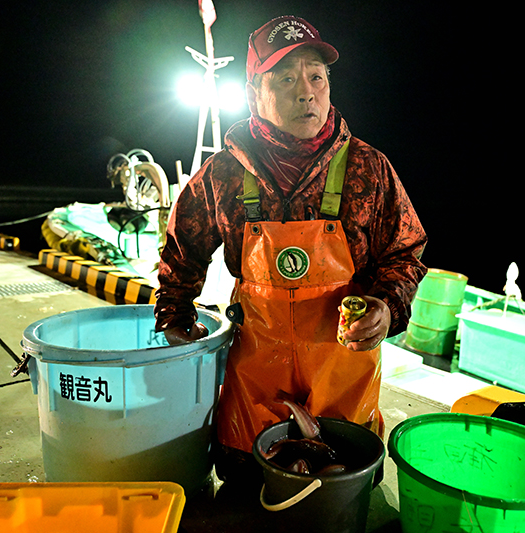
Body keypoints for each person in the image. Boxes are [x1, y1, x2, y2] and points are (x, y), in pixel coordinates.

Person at [154, 15, 427, 483]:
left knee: (344, 481)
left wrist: (386, 305)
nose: (307, 92)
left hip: (344, 373)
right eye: (285, 78)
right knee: (245, 476)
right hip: (256, 368)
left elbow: (405, 251)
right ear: (254, 93)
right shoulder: (223, 173)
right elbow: (183, 249)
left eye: (316, 77)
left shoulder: (369, 168)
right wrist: (175, 317)